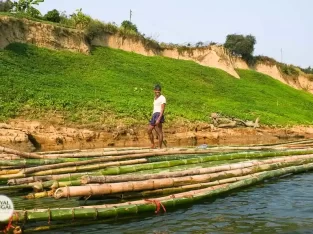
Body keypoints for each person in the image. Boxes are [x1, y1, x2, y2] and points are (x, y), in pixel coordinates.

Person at [147, 84, 166, 148]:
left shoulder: (162, 98)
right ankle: (153, 144)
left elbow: (162, 109)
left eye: (159, 92)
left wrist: (159, 119)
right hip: (154, 115)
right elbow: (155, 108)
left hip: (158, 115)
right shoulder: (155, 98)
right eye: (156, 91)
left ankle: (159, 147)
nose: (157, 93)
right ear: (154, 91)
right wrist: (152, 116)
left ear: (160, 91)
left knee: (159, 132)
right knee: (149, 130)